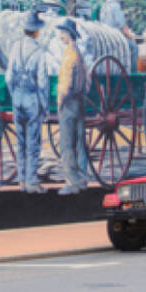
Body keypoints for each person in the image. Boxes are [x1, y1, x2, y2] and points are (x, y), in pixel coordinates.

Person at [6, 13, 52, 192]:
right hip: (33, 100)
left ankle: (22, 181)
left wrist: (14, 94)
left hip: (17, 98)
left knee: (21, 141)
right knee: (33, 142)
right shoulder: (40, 52)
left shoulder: (15, 47)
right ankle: (32, 181)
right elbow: (42, 82)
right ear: (37, 31)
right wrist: (45, 106)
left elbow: (9, 77)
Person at [50, 19, 88, 195]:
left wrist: (59, 101)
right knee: (80, 140)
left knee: (66, 143)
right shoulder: (78, 54)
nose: (60, 36)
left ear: (68, 34)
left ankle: (72, 182)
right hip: (80, 101)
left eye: (62, 33)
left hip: (69, 102)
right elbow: (87, 80)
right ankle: (82, 178)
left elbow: (65, 84)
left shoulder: (68, 56)